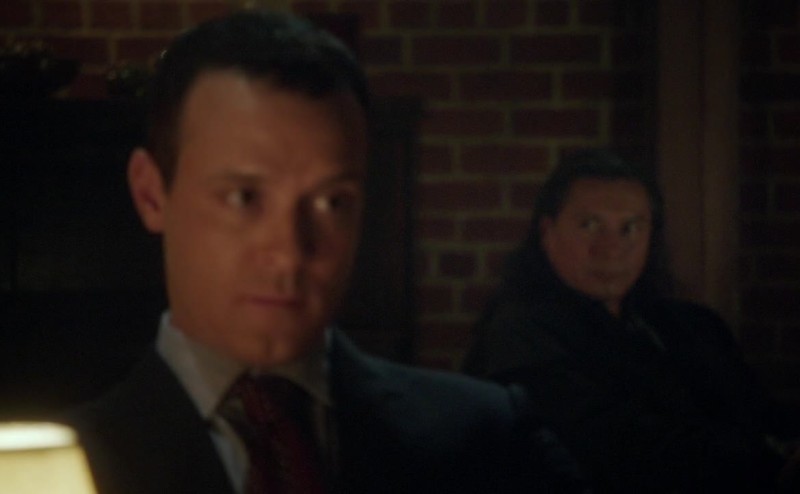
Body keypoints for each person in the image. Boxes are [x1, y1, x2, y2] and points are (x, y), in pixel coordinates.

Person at [59, 9, 586, 494]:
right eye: (244, 198)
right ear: (151, 194)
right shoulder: (55, 470)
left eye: (332, 202)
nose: (290, 252)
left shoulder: (485, 437)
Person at [463, 149, 800, 493]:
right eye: (589, 225)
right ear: (547, 233)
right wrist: (768, 464)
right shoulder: (521, 336)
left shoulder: (694, 326)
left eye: (631, 228)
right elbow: (618, 450)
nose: (611, 249)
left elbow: (761, 415)